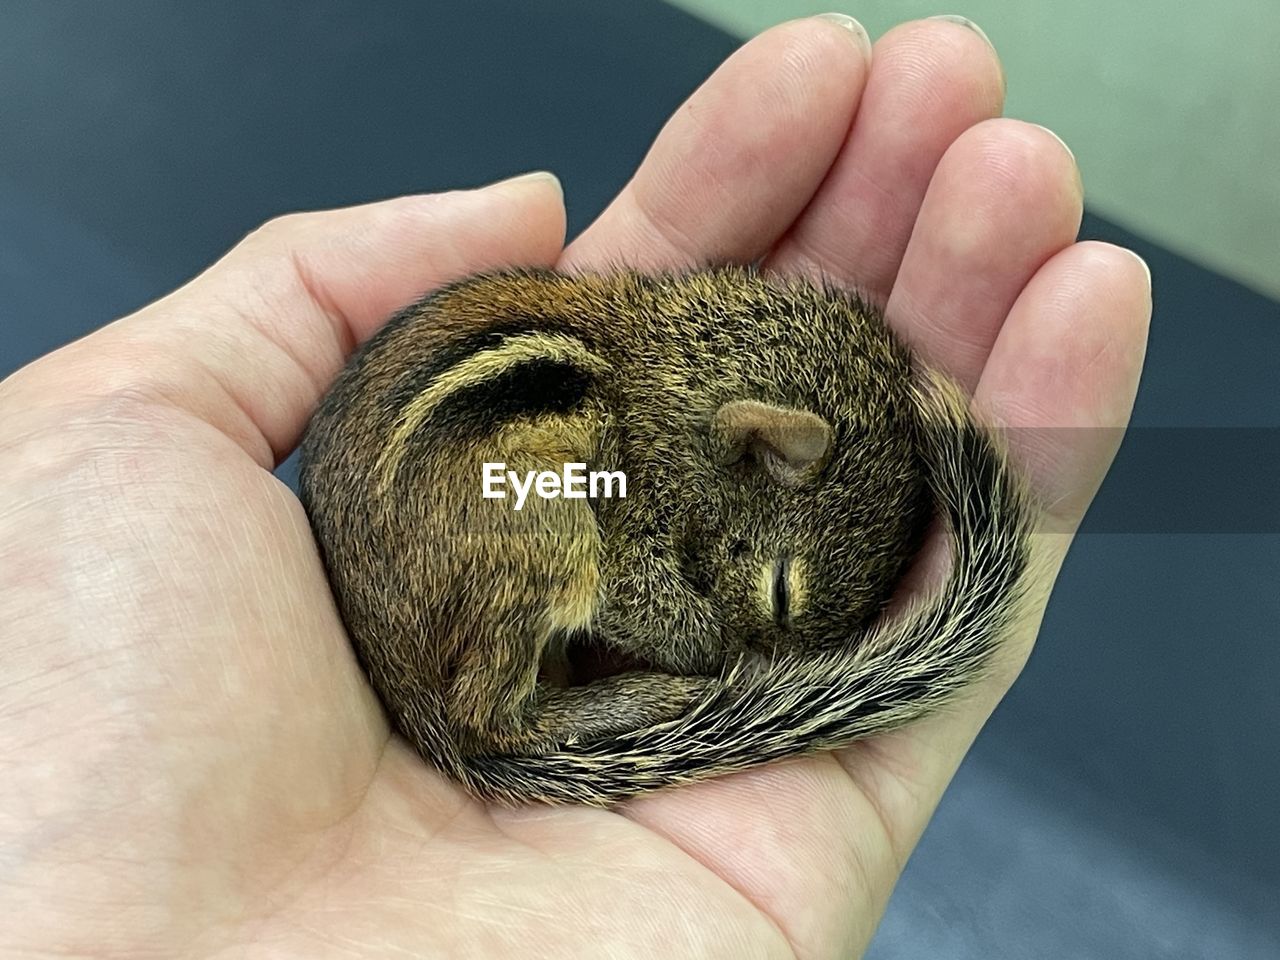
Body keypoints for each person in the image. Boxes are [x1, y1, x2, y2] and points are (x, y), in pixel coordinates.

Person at [0, 14, 1149, 958]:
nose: (770, 640)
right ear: (757, 443)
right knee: (542, 498)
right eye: (784, 594)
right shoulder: (623, 448)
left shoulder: (669, 418)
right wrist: (701, 641)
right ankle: (510, 706)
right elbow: (639, 567)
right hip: (475, 507)